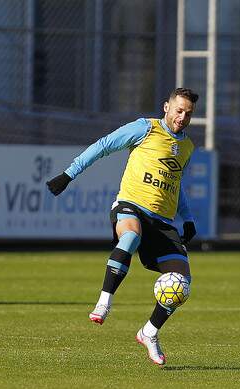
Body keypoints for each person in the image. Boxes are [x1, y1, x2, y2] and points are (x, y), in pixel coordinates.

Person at [46, 87, 199, 366]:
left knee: (181, 283)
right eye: (179, 110)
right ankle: (104, 301)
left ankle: (149, 332)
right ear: (166, 107)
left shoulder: (187, 147)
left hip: (162, 221)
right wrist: (68, 174)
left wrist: (187, 218)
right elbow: (104, 145)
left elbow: (176, 185)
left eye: (188, 113)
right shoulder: (145, 129)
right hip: (130, 206)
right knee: (129, 236)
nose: (182, 117)